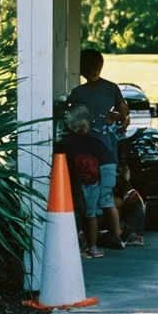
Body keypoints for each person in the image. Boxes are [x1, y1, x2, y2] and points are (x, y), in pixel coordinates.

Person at [68, 49, 129, 251]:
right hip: (94, 156)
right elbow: (123, 111)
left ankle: (114, 235)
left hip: (95, 156)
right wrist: (118, 119)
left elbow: (124, 111)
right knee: (103, 198)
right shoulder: (82, 93)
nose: (93, 71)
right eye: (89, 67)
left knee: (96, 199)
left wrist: (120, 120)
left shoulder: (102, 90)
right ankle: (114, 234)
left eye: (95, 67)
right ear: (83, 70)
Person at [53, 105, 108, 258]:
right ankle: (93, 247)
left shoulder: (63, 144)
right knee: (91, 215)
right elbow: (103, 162)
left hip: (71, 183)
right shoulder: (96, 143)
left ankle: (72, 245)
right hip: (93, 182)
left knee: (74, 213)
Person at [114, 164, 146, 247]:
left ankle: (129, 234)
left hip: (132, 226)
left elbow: (119, 203)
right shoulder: (125, 185)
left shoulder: (122, 185)